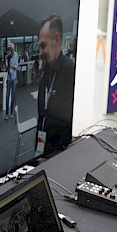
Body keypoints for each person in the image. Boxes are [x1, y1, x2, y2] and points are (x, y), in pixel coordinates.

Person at [36, 14, 75, 156]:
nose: (40, 53)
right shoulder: (44, 76)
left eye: (43, 46)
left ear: (57, 40)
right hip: (43, 152)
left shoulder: (70, 73)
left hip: (61, 156)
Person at [5, 43, 18, 120]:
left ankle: (12, 112)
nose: (12, 50)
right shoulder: (8, 56)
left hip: (13, 77)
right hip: (8, 78)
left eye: (13, 49)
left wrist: (11, 66)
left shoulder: (16, 55)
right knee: (7, 96)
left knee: (13, 96)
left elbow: (16, 66)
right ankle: (7, 113)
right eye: (11, 49)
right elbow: (6, 66)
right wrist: (6, 60)